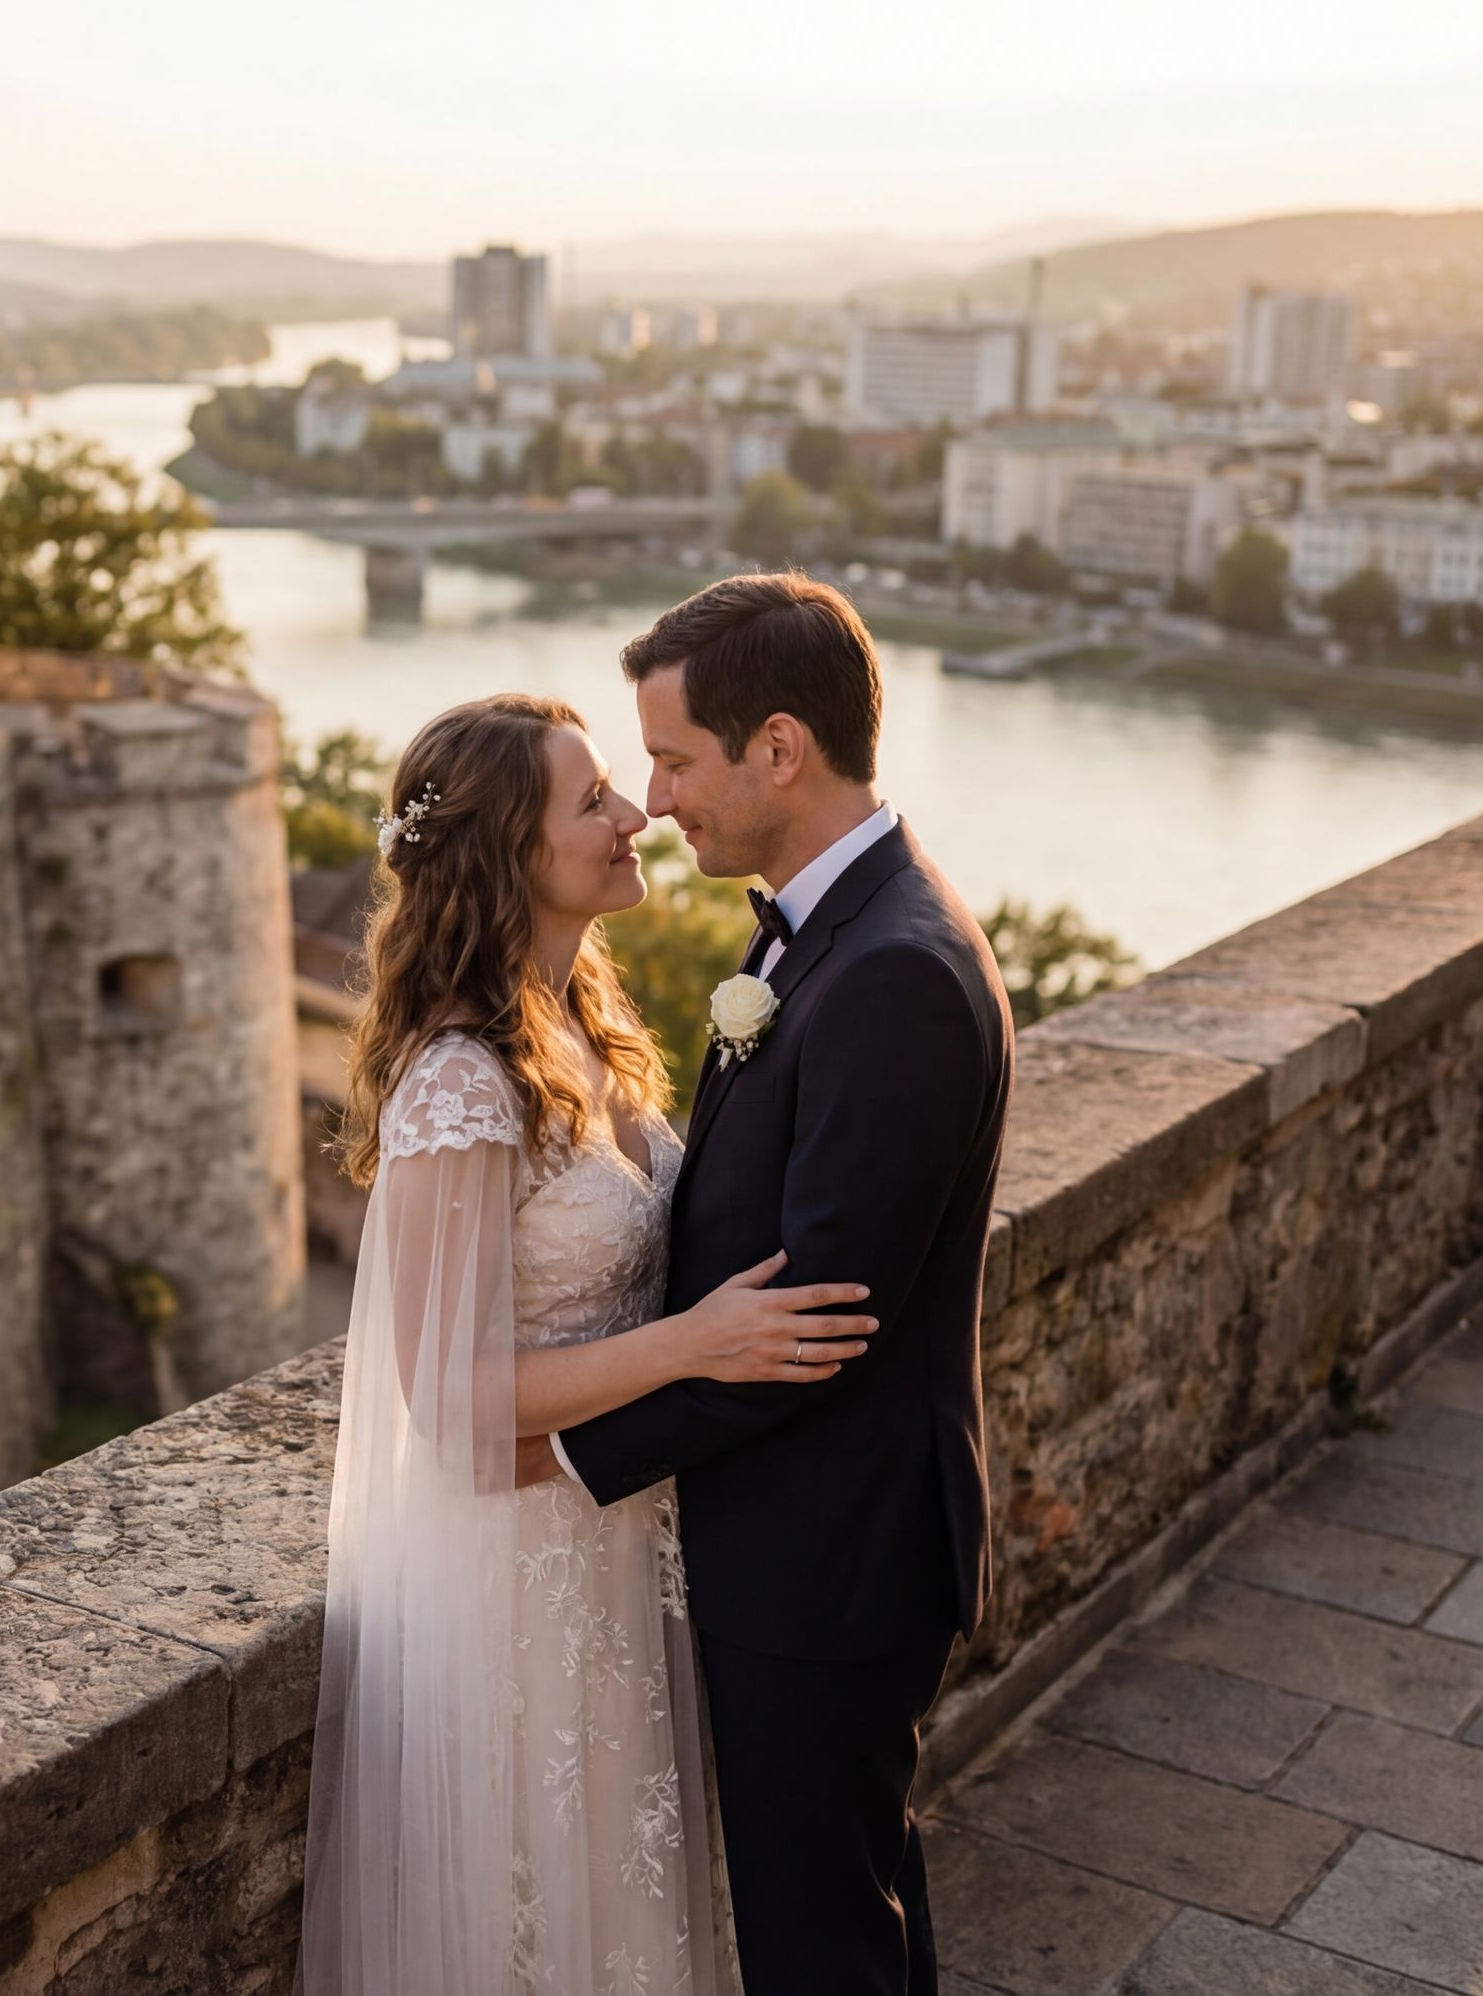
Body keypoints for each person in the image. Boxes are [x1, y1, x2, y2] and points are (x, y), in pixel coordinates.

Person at [301, 688, 880, 1995]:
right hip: (522, 1573)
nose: (638, 815)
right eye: (595, 799)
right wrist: (695, 1345)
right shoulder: (461, 1081)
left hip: (625, 1534)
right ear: (513, 854)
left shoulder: (586, 1025)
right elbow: (445, 1397)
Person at [553, 573, 1011, 1996]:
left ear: (780, 748)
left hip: (831, 1558)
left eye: (675, 760)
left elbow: (812, 1326)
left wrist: (562, 1448)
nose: (654, 799)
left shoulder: (893, 971)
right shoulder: (826, 923)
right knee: (857, 1909)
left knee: (817, 1948)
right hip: (820, 1544)